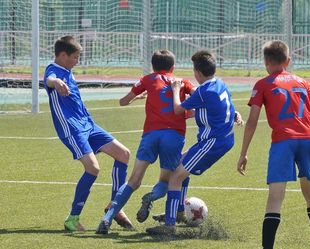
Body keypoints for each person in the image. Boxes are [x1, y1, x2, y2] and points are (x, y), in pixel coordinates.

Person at [237, 40, 310, 249]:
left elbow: (252, 121)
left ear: (265, 62)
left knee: (275, 196)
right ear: (287, 61)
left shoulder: (263, 84)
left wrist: (243, 153)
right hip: (309, 140)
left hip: (283, 142)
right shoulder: (303, 82)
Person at [95, 50, 196, 234]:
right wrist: (187, 113)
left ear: (153, 66)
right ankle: (152, 198)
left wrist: (136, 97)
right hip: (173, 136)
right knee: (168, 180)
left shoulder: (147, 80)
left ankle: (107, 218)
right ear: (173, 68)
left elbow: (123, 102)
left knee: (133, 180)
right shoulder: (182, 82)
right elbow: (198, 97)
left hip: (150, 135)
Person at [43, 35, 133, 232]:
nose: (77, 61)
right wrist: (57, 82)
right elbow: (49, 80)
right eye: (75, 57)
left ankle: (115, 207)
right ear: (63, 55)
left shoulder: (68, 72)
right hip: (71, 128)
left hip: (88, 124)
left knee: (123, 154)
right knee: (93, 168)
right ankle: (72, 219)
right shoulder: (54, 70)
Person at [146, 49, 237, 235]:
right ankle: (179, 211)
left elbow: (178, 110)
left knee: (175, 176)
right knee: (179, 165)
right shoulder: (219, 84)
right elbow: (215, 109)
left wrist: (176, 90)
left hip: (213, 142)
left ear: (197, 73)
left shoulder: (203, 91)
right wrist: (235, 115)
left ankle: (169, 225)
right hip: (222, 138)